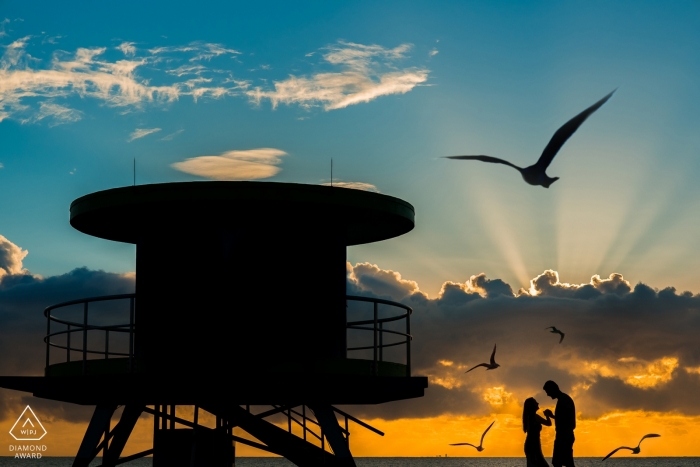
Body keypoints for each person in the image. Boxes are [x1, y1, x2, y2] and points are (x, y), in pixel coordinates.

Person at [543, 380, 576, 467]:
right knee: (564, 462)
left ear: (552, 389)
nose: (548, 395)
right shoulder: (564, 399)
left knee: (559, 462)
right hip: (564, 435)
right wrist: (553, 416)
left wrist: (552, 416)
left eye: (548, 392)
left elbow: (565, 419)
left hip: (564, 436)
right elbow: (564, 418)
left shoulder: (564, 400)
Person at [523, 397, 552, 467]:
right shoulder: (534, 417)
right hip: (533, 445)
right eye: (535, 402)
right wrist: (547, 415)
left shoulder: (528, 417)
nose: (537, 403)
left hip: (531, 444)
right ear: (532, 406)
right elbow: (548, 423)